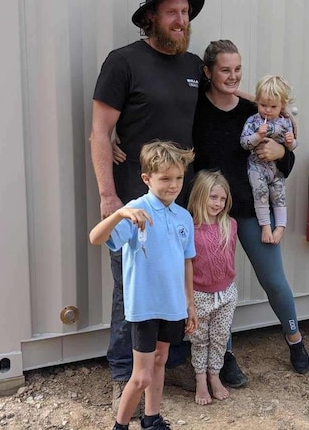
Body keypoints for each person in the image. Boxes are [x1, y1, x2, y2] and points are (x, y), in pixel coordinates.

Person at [89, 0, 208, 412]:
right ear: (152, 17)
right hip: (133, 201)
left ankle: (165, 363)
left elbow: (228, 101)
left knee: (172, 282)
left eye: (185, 13)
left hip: (178, 202)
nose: (181, 20)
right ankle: (124, 373)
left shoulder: (194, 66)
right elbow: (100, 132)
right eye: (172, 12)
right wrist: (108, 197)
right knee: (131, 288)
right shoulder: (123, 62)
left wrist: (277, 114)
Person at [192, 39, 309, 375]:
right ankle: (224, 357)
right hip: (213, 214)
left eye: (238, 69)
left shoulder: (254, 113)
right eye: (225, 70)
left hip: (253, 209)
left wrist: (283, 154)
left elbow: (282, 165)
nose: (233, 76)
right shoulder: (196, 110)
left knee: (273, 279)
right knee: (217, 289)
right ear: (208, 72)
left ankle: (295, 338)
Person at [89, 141, 198, 430]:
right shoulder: (135, 210)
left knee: (160, 361)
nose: (173, 185)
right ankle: (120, 425)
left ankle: (151, 419)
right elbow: (95, 238)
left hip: (173, 306)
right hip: (145, 309)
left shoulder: (183, 216)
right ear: (147, 179)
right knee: (141, 377)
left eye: (178, 178)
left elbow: (187, 262)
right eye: (165, 178)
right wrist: (118, 214)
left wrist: (189, 304)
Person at [186, 170, 239, 405]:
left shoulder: (230, 224)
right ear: (200, 196)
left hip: (226, 293)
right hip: (199, 294)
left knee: (219, 337)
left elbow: (229, 258)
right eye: (213, 197)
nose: (218, 203)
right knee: (199, 339)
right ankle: (199, 380)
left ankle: (214, 376)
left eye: (222, 199)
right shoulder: (189, 227)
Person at [240, 75, 298, 244]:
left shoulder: (286, 122)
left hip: (276, 169)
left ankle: (280, 227)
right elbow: (244, 142)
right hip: (257, 167)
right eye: (263, 105)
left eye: (273, 106)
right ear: (257, 101)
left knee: (279, 195)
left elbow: (293, 146)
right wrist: (257, 136)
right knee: (261, 194)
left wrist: (290, 142)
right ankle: (265, 226)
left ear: (282, 105)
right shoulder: (253, 121)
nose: (267, 110)